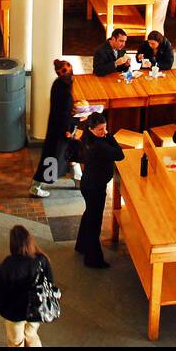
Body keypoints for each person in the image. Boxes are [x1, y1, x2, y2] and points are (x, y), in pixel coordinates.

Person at [0, 224, 54, 347]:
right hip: (36, 310)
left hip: (14, 313)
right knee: (31, 335)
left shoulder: (4, 267)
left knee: (15, 341)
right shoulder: (41, 259)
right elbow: (50, 283)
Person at [73, 112, 125, 268]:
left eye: (105, 129)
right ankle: (93, 259)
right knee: (95, 223)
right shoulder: (100, 145)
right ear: (91, 129)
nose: (104, 132)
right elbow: (119, 154)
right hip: (95, 188)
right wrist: (110, 137)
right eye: (100, 130)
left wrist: (105, 135)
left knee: (89, 215)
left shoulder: (87, 139)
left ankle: (81, 245)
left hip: (88, 184)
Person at [31, 59, 77, 197]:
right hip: (60, 130)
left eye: (66, 70)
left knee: (70, 153)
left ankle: (78, 178)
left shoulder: (63, 84)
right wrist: (67, 130)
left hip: (63, 126)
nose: (66, 73)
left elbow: (65, 108)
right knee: (52, 157)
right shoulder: (61, 87)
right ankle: (36, 186)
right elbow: (60, 112)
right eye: (62, 71)